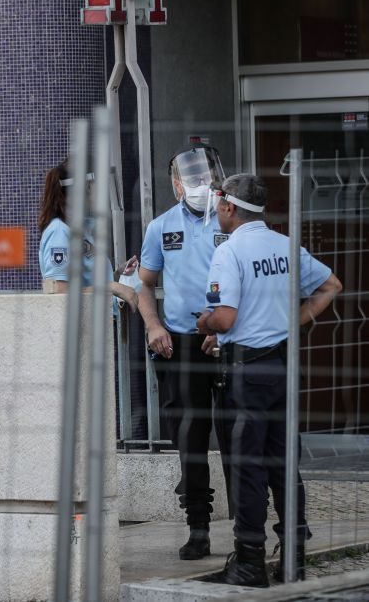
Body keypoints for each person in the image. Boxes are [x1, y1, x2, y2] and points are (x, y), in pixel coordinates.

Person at [196, 174, 342, 587]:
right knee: (283, 464)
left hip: (247, 373)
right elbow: (332, 285)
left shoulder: (230, 252)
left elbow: (225, 317)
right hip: (281, 367)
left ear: (227, 207)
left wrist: (206, 323)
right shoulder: (284, 246)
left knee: (247, 467)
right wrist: (287, 326)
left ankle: (249, 562)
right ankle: (294, 555)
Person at [138, 145, 231, 561]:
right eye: (191, 179)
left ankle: (252, 529)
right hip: (183, 342)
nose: (199, 185)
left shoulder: (232, 219)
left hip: (227, 339)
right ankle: (198, 528)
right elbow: (144, 284)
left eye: (205, 176)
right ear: (175, 185)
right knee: (190, 439)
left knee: (238, 436)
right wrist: (154, 325)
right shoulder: (160, 227)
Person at [37, 158, 138, 311]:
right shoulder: (59, 231)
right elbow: (59, 291)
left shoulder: (81, 227)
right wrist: (112, 287)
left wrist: (117, 275)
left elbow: (86, 282)